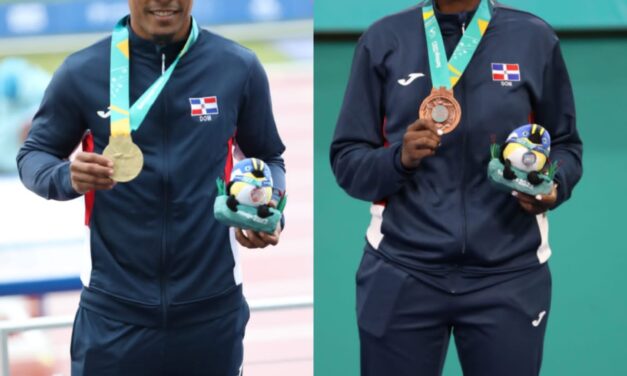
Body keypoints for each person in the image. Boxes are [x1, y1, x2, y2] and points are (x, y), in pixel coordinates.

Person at [17, 0, 286, 374]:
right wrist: (66, 177)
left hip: (211, 314)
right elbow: (34, 155)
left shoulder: (237, 67)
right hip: (113, 316)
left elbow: (269, 157)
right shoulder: (83, 70)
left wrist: (268, 210)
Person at [330, 0, 582, 375]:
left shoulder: (533, 38)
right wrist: (399, 159)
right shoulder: (383, 40)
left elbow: (566, 146)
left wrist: (553, 185)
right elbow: (347, 160)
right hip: (403, 270)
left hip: (508, 275)